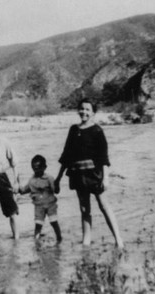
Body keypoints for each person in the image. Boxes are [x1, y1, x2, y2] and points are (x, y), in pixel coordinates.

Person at [55, 99, 124, 248]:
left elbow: (104, 158)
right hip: (78, 175)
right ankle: (86, 242)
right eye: (82, 109)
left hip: (95, 175)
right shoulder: (73, 130)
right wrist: (58, 178)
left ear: (93, 113)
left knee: (104, 205)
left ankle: (118, 239)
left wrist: (106, 178)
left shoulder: (97, 131)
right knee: (84, 209)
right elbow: (66, 155)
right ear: (78, 111)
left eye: (87, 109)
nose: (84, 112)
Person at [19, 155, 62, 243]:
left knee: (54, 222)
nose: (36, 170)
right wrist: (17, 186)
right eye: (34, 168)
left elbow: (56, 191)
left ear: (44, 167)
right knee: (38, 224)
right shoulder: (32, 180)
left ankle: (59, 238)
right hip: (38, 206)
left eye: (39, 168)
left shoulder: (49, 178)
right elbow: (24, 190)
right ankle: (36, 240)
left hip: (51, 205)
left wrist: (57, 183)